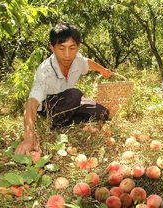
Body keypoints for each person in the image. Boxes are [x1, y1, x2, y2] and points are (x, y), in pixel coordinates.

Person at [15, 23, 112, 155]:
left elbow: (87, 62)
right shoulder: (45, 71)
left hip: (70, 101)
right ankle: (55, 125)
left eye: (72, 48)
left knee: (103, 113)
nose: (67, 54)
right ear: (52, 48)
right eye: (61, 48)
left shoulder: (77, 59)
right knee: (75, 94)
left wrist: (103, 70)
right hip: (49, 106)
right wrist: (28, 136)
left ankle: (66, 121)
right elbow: (32, 102)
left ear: (78, 47)